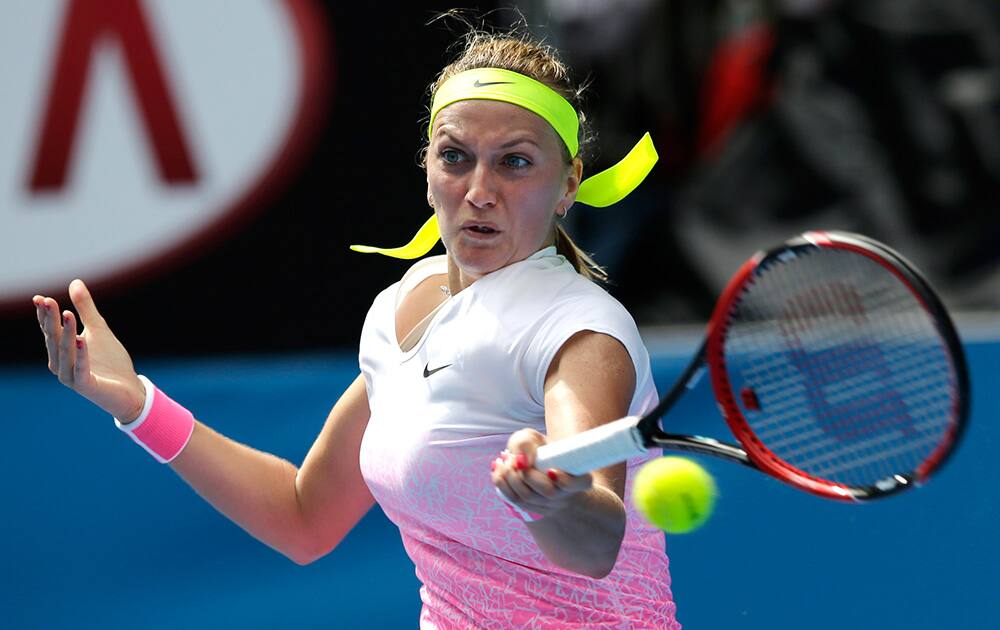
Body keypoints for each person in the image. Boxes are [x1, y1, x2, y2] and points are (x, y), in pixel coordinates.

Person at [32, 27, 681, 629]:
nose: (479, 190)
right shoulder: (403, 307)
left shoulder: (580, 330)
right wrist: (137, 402)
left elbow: (598, 543)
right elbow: (303, 516)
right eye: (456, 157)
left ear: (567, 185)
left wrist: (555, 502)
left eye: (514, 163)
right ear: (428, 169)